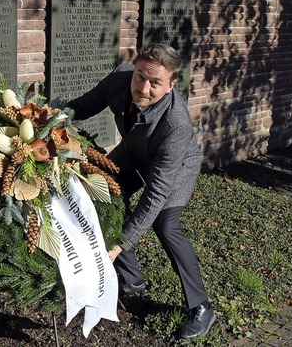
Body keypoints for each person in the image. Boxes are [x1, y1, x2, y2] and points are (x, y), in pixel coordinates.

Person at [64, 43, 215, 339]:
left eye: (155, 82)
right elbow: (81, 107)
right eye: (140, 77)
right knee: (96, 193)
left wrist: (119, 245)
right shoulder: (121, 79)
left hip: (175, 168)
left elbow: (155, 194)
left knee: (165, 224)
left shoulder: (177, 127)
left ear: (171, 85)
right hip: (134, 150)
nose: (143, 88)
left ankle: (201, 307)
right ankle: (131, 279)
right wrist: (44, 120)